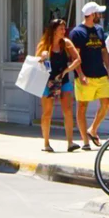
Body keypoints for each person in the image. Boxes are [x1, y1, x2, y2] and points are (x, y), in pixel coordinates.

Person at [71, 3, 109, 140]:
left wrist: (108, 67)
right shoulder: (77, 32)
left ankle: (93, 129)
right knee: (82, 106)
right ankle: (85, 141)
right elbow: (75, 56)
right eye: (98, 13)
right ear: (92, 15)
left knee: (107, 103)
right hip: (85, 75)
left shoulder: (99, 30)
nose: (100, 16)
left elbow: (104, 51)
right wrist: (81, 74)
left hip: (100, 73)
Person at [37, 18, 80, 151]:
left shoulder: (66, 43)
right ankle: (46, 143)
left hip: (63, 80)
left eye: (64, 28)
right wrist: (42, 57)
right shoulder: (45, 44)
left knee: (67, 110)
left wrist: (67, 70)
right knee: (47, 112)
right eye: (61, 28)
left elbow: (78, 59)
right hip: (48, 82)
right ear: (54, 30)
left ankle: (70, 143)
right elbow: (36, 62)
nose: (64, 31)